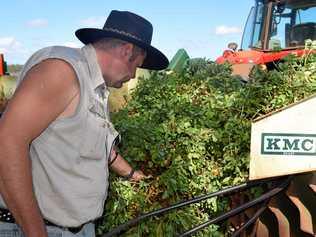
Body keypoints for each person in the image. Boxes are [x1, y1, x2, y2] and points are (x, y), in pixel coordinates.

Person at [0, 10, 169, 237]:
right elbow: (6, 142)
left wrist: (133, 175)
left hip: (72, 230)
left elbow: (97, 144)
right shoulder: (64, 71)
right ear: (127, 51)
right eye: (136, 66)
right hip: (36, 228)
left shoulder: (96, 86)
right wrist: (35, 232)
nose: (133, 75)